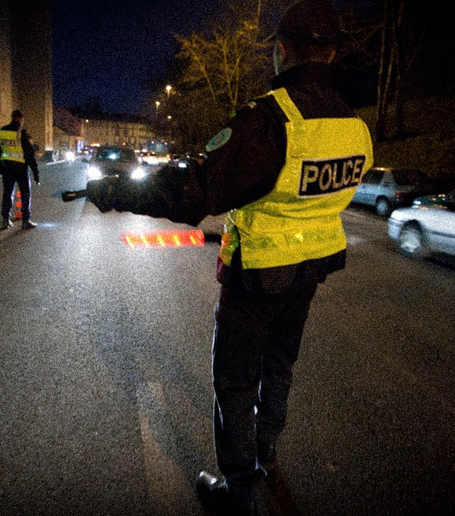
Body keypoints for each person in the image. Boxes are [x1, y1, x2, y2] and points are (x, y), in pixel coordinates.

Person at [82, 1, 373, 513]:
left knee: (235, 381)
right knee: (280, 363)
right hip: (312, 270)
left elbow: (197, 190)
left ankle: (238, 490)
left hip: (259, 274)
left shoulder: (273, 121)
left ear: (282, 52)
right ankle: (266, 454)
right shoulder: (354, 126)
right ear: (329, 53)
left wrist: (116, 192)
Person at [0, 109, 40, 229]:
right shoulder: (21, 134)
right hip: (21, 169)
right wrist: (36, 173)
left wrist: (0, 166)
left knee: (8, 193)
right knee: (25, 194)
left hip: (7, 168)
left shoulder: (0, 132)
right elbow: (29, 156)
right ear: (20, 119)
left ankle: (5, 219)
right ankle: (25, 220)